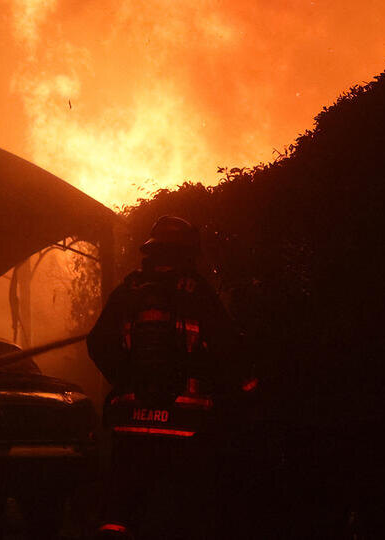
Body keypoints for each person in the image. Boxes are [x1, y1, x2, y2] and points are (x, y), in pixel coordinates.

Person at [87, 216, 249, 540]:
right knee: (189, 510)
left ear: (151, 251)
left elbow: (98, 343)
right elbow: (227, 345)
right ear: (188, 253)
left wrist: (126, 378)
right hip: (187, 425)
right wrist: (249, 387)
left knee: (119, 508)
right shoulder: (197, 292)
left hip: (130, 422)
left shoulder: (127, 291)